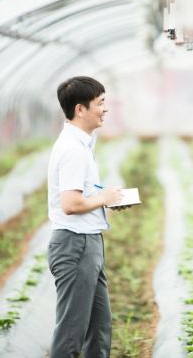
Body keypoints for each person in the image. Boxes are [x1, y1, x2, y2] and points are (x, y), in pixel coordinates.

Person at [47, 76, 126, 358]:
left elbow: (81, 195)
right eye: (101, 103)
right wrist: (102, 199)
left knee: (99, 327)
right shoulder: (72, 150)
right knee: (71, 333)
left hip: (87, 243)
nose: (105, 109)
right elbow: (69, 203)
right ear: (80, 109)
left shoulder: (81, 145)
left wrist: (106, 199)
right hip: (75, 244)